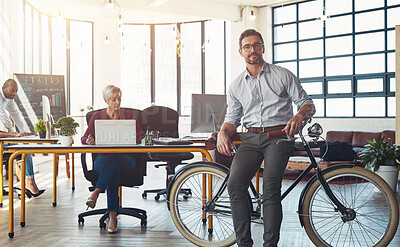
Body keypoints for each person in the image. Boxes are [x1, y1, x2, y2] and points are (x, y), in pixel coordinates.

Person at [216, 29, 315, 247]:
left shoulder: (283, 74)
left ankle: (270, 244)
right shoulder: (235, 86)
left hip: (280, 137)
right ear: (240, 51)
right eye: (247, 46)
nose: (253, 50)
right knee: (235, 185)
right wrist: (223, 132)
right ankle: (244, 243)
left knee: (270, 189)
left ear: (263, 47)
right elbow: (232, 119)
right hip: (251, 138)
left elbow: (308, 103)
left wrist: (299, 115)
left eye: (257, 45)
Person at [81, 84, 144, 233]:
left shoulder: (129, 115)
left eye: (119, 99)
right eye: (113, 99)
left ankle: (96, 192)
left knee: (114, 162)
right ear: (106, 100)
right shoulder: (97, 117)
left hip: (126, 159)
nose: (117, 102)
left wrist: (138, 138)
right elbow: (83, 138)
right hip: (103, 160)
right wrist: (89, 141)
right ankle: (113, 215)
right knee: (112, 166)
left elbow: (141, 135)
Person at [1, 79, 45, 197]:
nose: (14, 93)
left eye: (16, 91)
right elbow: (3, 117)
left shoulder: (9, 99)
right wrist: (14, 134)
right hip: (2, 142)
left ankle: (30, 182)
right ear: (4, 88)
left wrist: (26, 133)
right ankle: (29, 183)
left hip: (4, 139)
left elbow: (16, 115)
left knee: (25, 146)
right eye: (12, 90)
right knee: (24, 147)